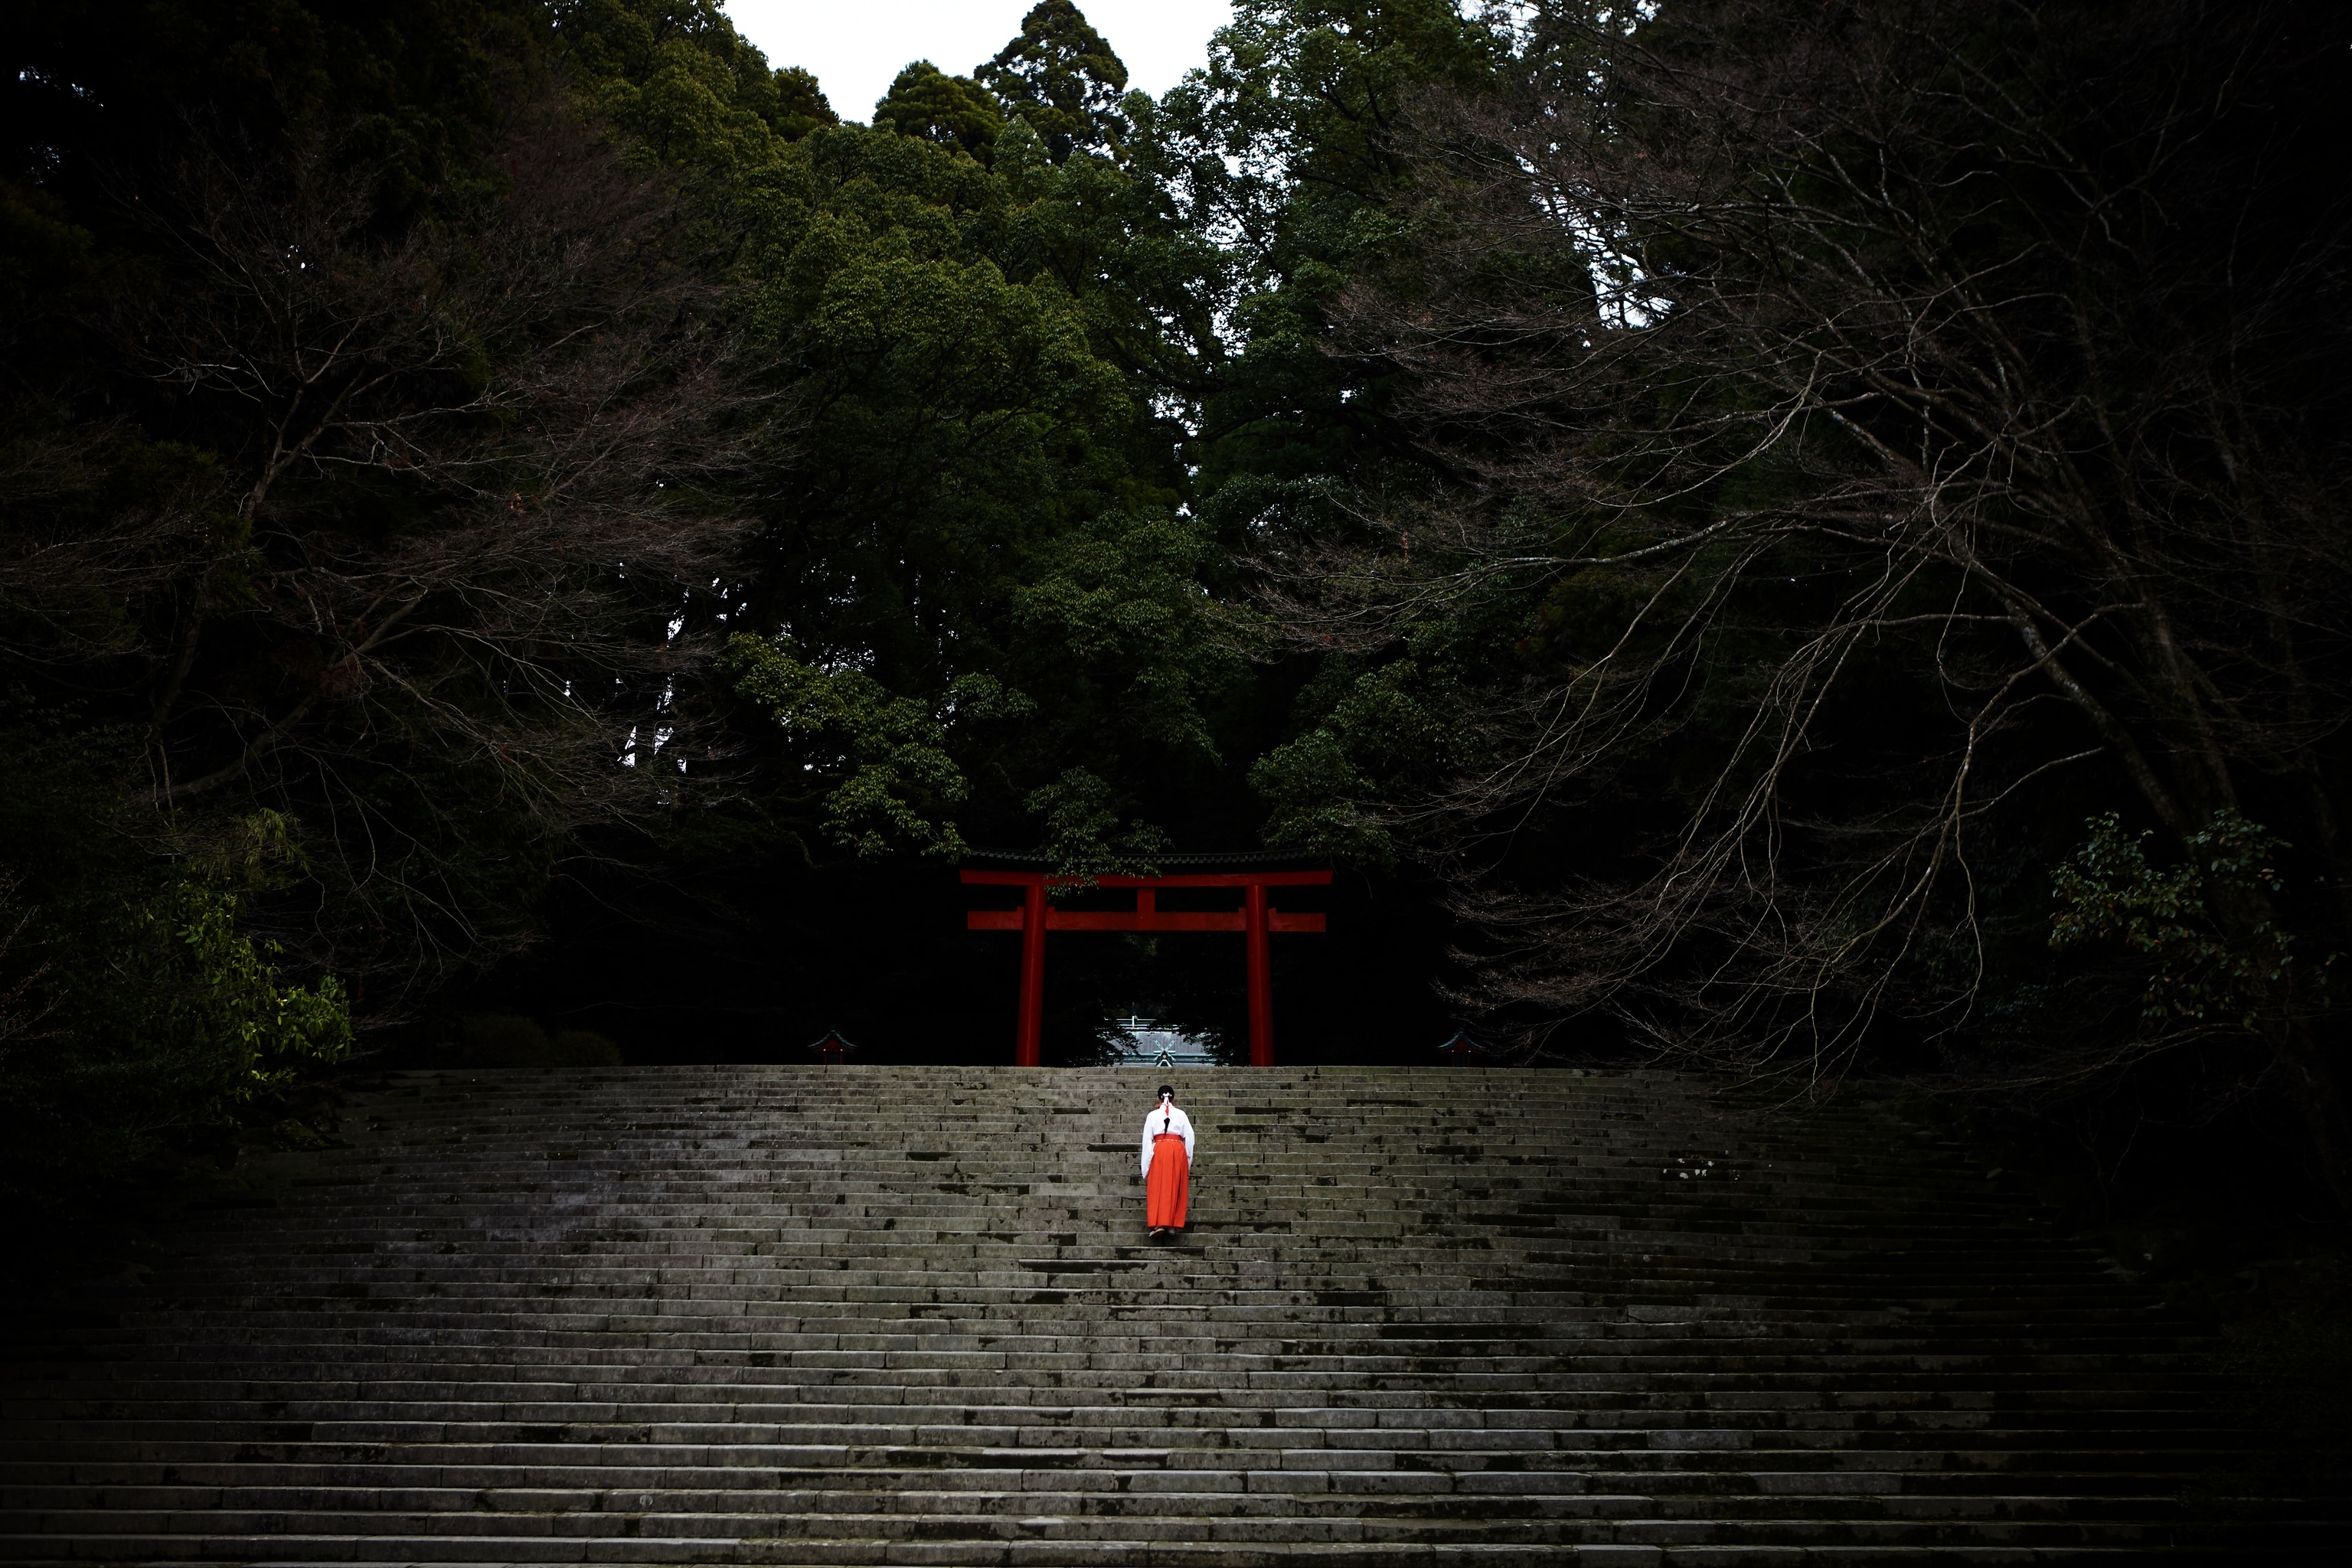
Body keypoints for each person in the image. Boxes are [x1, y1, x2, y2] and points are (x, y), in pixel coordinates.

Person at [1139, 1084, 1194, 1239]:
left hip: (1160, 1149)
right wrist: (1187, 1158)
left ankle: (1159, 1222)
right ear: (1174, 1098)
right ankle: (1172, 1225)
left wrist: (1146, 1164)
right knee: (1176, 1186)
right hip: (1177, 1149)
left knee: (1158, 1186)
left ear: (1158, 1098)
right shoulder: (1182, 1114)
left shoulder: (1152, 1116)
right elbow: (1189, 1137)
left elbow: (1147, 1140)